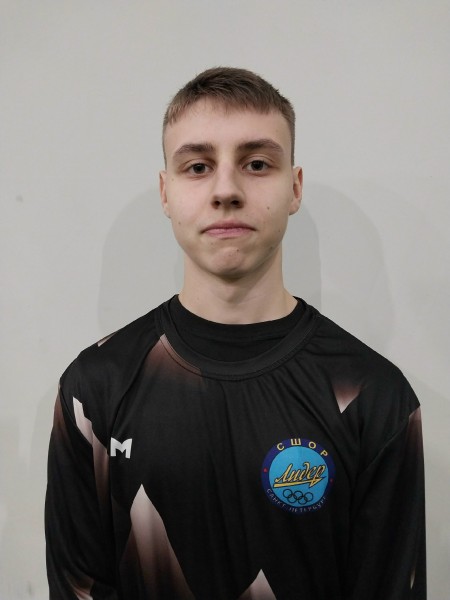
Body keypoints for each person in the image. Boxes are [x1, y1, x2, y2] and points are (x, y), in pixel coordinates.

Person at [45, 67, 426, 599]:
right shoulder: (94, 389)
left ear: (294, 187)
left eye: (257, 164)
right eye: (198, 166)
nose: (226, 190)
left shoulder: (374, 395)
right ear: (166, 192)